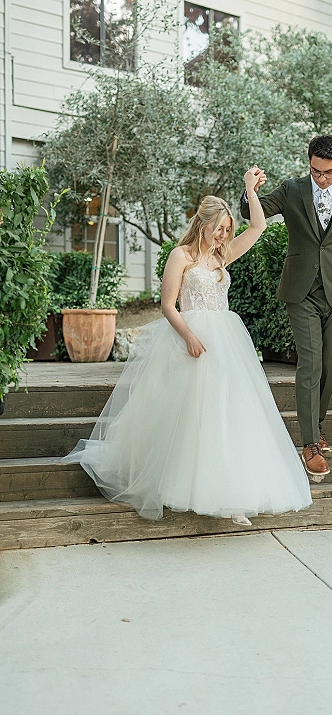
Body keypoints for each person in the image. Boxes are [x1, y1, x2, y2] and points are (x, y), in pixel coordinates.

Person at [63, 167, 312, 527]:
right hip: (190, 335)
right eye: (220, 229)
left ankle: (233, 497)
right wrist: (190, 337)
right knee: (189, 415)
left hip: (226, 340)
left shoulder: (221, 257)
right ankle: (173, 484)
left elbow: (257, 227)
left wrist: (250, 191)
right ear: (203, 225)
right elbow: (167, 305)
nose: (224, 234)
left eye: (227, 229)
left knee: (229, 414)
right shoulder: (181, 256)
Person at [241, 135, 332, 481]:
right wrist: (250, 190)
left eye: (328, 173)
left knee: (331, 363)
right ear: (309, 163)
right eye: (316, 171)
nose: (321, 178)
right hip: (300, 292)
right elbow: (249, 213)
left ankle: (315, 425)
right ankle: (309, 445)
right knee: (311, 361)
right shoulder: (292, 190)